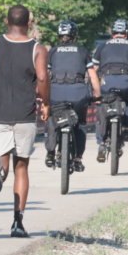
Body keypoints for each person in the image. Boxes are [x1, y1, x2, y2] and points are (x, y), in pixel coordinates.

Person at [0, 4, 49, 239]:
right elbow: (43, 77)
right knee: (22, 166)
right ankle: (17, 222)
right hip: (24, 114)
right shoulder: (38, 49)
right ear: (29, 24)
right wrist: (45, 102)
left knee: (3, 161)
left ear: (6, 22)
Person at [43, 19, 91, 174]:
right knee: (80, 123)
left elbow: (45, 75)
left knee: (51, 119)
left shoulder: (53, 51)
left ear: (59, 35)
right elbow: (93, 77)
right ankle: (78, 158)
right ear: (74, 35)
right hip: (78, 93)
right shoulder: (83, 51)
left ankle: (51, 152)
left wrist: (41, 95)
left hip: (56, 94)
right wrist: (96, 94)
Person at [93, 18, 128, 162]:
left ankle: (101, 143)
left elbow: (93, 70)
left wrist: (94, 88)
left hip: (106, 84)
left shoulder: (103, 46)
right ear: (126, 33)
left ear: (113, 33)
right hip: (125, 83)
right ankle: (126, 128)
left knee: (101, 107)